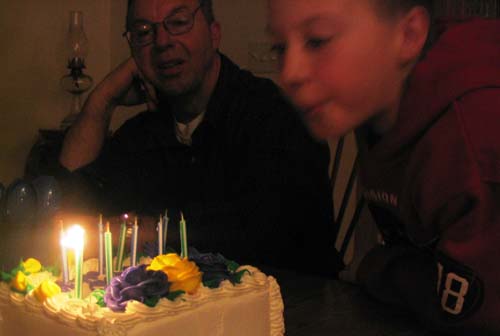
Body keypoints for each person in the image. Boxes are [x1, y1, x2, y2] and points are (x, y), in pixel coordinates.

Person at [57, 0, 342, 275]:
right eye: (143, 32)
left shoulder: (275, 115)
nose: (162, 41)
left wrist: (147, 230)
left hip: (298, 309)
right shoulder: (144, 133)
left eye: (179, 22)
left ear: (214, 34)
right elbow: (70, 203)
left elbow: (273, 232)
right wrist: (101, 101)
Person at [267, 0, 500, 336]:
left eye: (317, 40)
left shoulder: (476, 131)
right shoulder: (376, 107)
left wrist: (373, 266)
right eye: (279, 46)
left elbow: (473, 309)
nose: (289, 73)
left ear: (408, 35)